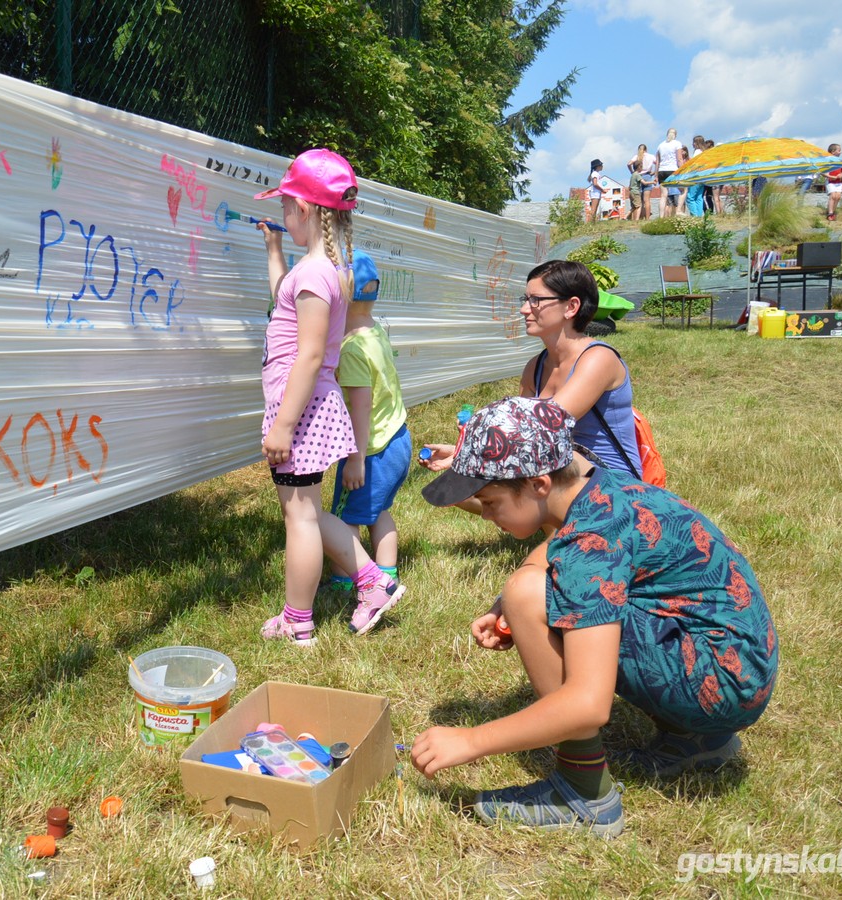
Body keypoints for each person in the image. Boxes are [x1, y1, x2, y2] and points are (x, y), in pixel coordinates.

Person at [412, 396, 778, 836]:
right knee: (526, 590)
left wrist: (469, 741)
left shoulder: (591, 545)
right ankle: (698, 740)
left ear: (539, 484)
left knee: (528, 595)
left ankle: (584, 795)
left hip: (721, 683)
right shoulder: (598, 485)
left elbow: (587, 705)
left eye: (490, 502)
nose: (486, 515)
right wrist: (506, 601)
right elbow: (564, 542)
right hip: (739, 667)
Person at [252, 149, 403, 645]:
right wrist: (275, 253)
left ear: (308, 210)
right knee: (312, 513)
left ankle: (298, 621)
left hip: (300, 409)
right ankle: (373, 582)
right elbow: (287, 306)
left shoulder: (316, 274)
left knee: (298, 517)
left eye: (286, 210)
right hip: (309, 407)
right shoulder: (324, 270)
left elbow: (311, 356)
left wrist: (283, 425)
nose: (284, 219)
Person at [419, 260, 641, 516]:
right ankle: (543, 525)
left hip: (615, 488)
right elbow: (518, 435)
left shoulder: (598, 359)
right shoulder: (535, 367)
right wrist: (463, 455)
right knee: (459, 489)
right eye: (525, 299)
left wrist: (470, 456)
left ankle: (559, 531)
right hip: (559, 471)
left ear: (571, 306)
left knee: (508, 481)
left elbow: (542, 428)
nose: (525, 309)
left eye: (536, 300)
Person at [322, 253, 412, 634]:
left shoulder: (352, 349)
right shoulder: (374, 331)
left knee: (346, 514)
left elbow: (359, 407)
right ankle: (386, 568)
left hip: (370, 449)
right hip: (397, 438)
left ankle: (352, 577)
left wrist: (355, 458)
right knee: (377, 510)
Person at [655, 128, 685, 217]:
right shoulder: (677, 143)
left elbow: (657, 162)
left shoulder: (660, 145)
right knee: (683, 190)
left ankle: (661, 216)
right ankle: (679, 210)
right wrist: (683, 170)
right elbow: (679, 159)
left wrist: (656, 174)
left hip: (662, 171)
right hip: (672, 170)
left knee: (664, 195)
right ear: (675, 135)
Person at [626, 144, 655, 221]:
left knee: (639, 200)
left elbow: (629, 164)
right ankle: (647, 219)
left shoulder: (636, 156)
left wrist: (632, 171)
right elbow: (659, 163)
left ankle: (640, 218)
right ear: (646, 149)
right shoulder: (651, 156)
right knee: (647, 200)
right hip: (648, 177)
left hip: (638, 177)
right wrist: (654, 172)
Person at [824, 143, 842, 221]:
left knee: (838, 196)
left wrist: (841, 175)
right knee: (833, 195)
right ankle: (830, 212)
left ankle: (833, 211)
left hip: (838, 182)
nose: (840, 152)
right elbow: (823, 172)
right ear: (833, 152)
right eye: (839, 150)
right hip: (830, 181)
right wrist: (830, 176)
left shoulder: (840, 161)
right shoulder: (827, 161)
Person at [685, 135, 706, 216]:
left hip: (696, 176)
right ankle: (699, 216)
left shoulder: (697, 151)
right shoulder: (704, 152)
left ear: (696, 143)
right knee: (699, 197)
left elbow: (694, 164)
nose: (692, 144)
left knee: (690, 197)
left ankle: (695, 216)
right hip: (703, 177)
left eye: (693, 142)